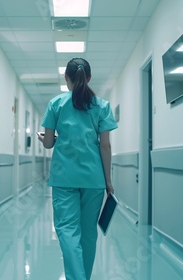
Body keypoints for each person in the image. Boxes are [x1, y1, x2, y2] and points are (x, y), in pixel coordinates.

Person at [37, 57, 118, 280]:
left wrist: (41, 137)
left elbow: (49, 142)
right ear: (89, 78)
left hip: (64, 178)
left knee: (67, 231)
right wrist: (108, 181)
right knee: (88, 234)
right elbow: (105, 145)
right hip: (94, 180)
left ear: (66, 79)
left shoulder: (56, 104)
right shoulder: (102, 106)